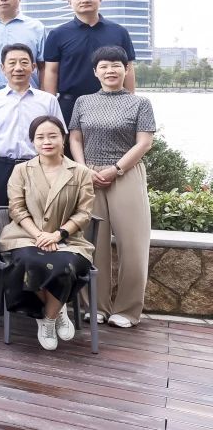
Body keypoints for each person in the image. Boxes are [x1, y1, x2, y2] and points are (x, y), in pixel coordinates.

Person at [0, 42, 64, 314]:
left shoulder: (48, 101)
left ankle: (32, 299)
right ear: (2, 68)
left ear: (33, 67)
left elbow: (59, 139)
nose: (18, 68)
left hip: (38, 168)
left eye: (24, 62)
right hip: (0, 169)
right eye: (11, 63)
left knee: (38, 227)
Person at [69, 45, 155, 328]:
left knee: (133, 244)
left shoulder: (140, 103)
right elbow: (75, 138)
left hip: (125, 175)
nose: (110, 70)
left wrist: (116, 168)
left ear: (126, 69)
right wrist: (83, 168)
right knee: (92, 243)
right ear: (95, 72)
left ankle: (128, 310)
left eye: (116, 65)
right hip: (89, 175)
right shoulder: (83, 102)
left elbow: (144, 143)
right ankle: (96, 306)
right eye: (104, 66)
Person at [0, 116, 95, 351]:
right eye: (40, 137)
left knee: (65, 265)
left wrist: (58, 235)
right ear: (33, 141)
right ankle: (57, 309)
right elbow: (16, 208)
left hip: (68, 239)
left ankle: (49, 319)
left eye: (52, 136)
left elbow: (84, 212)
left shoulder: (80, 172)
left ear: (63, 139)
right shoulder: (21, 170)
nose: (47, 142)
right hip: (25, 236)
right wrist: (40, 235)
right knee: (29, 263)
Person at [43, 0, 137, 125]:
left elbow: (128, 69)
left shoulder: (119, 32)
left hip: (112, 102)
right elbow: (51, 71)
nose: (85, 0)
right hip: (70, 104)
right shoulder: (57, 34)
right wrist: (50, 105)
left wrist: (130, 101)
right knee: (68, 140)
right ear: (70, 2)